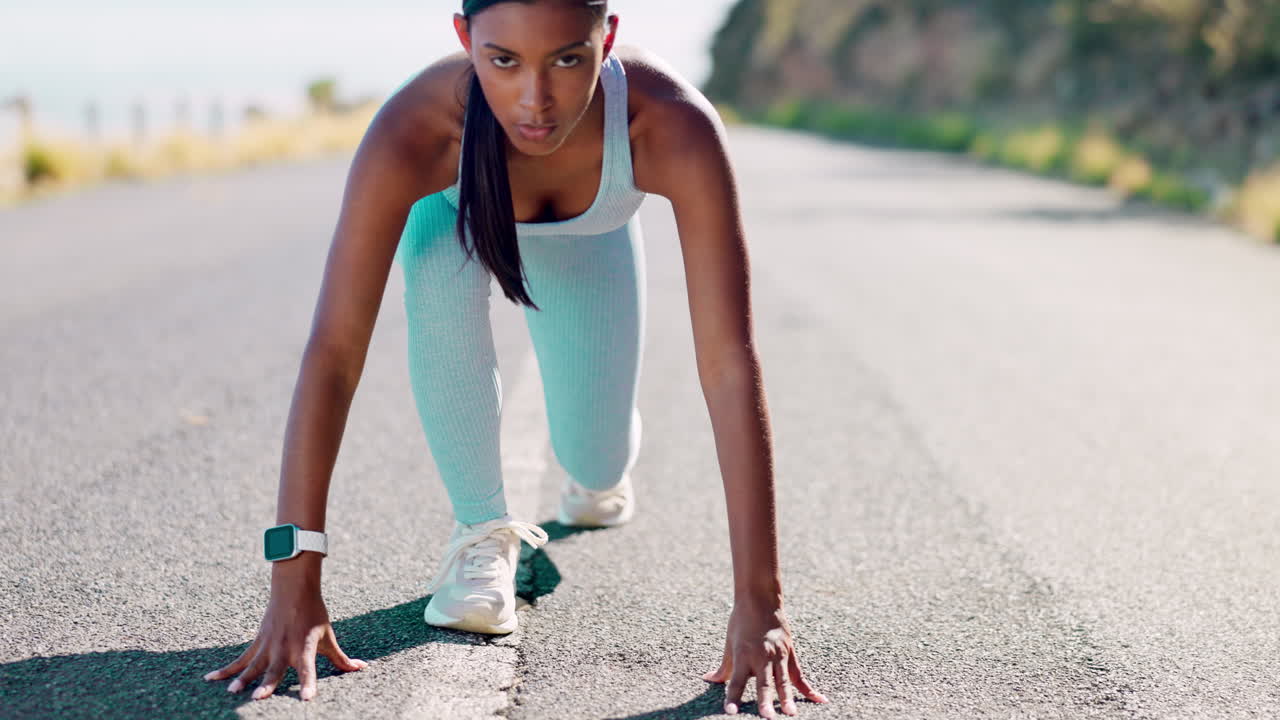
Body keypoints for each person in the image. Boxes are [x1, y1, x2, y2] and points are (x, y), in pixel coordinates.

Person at [201, 1, 829, 716]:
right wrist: (294, 575)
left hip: (590, 238)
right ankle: (480, 534)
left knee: (593, 457)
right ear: (465, 39)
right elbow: (336, 351)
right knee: (434, 260)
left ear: (608, 39)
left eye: (567, 58)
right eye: (503, 61)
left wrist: (762, 603)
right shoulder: (415, 130)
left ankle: (602, 474)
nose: (535, 100)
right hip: (455, 213)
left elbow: (728, 363)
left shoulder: (671, 123)